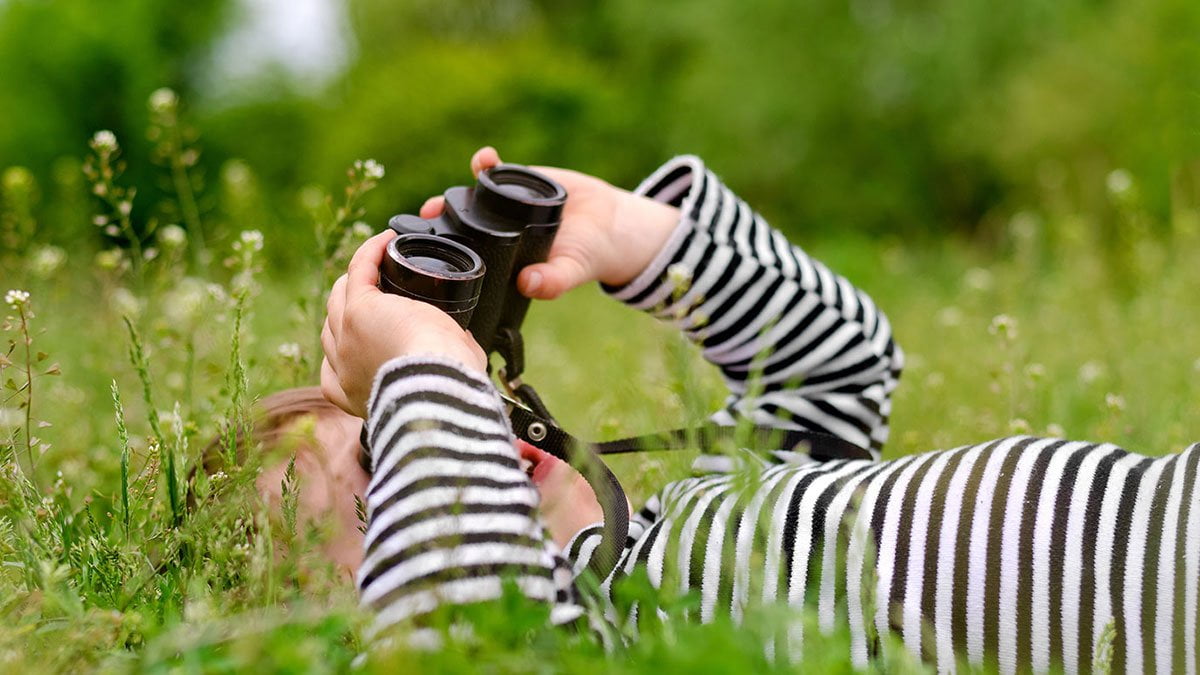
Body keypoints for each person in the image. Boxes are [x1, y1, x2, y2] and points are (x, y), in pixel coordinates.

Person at [298, 147, 1197, 673]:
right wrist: (426, 361)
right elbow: (459, 635)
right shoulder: (612, 647)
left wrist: (629, 234)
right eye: (391, 457)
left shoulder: (692, 524)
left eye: (446, 408)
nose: (465, 426)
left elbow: (840, 363)